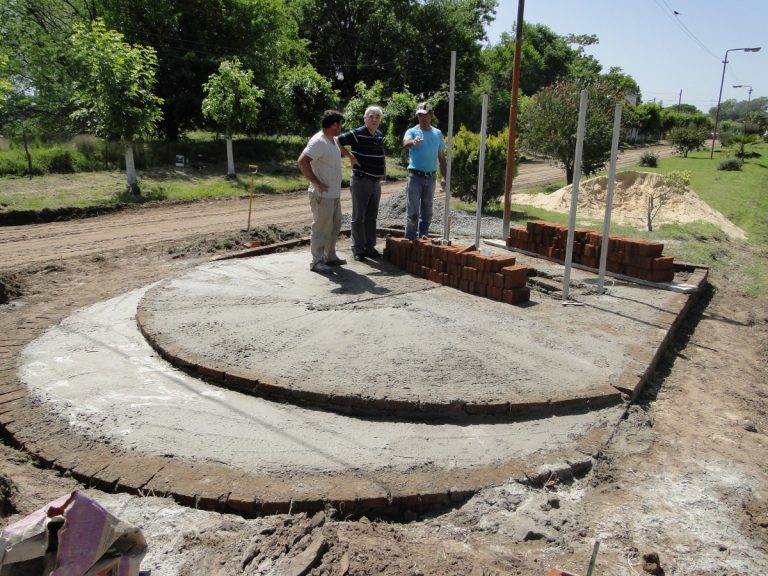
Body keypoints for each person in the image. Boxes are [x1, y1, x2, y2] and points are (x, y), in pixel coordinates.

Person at [297, 110, 346, 274]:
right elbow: (302, 161)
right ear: (334, 125)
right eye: (340, 124)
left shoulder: (333, 140)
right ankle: (317, 261)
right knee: (321, 228)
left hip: (334, 194)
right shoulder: (319, 141)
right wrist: (316, 182)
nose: (342, 127)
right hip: (322, 195)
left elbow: (340, 152)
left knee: (334, 226)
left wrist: (352, 157)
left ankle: (329, 256)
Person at [336, 106, 386, 261]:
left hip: (375, 182)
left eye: (377, 117)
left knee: (372, 216)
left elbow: (380, 153)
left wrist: (383, 167)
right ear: (365, 118)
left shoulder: (378, 135)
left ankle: (369, 247)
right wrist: (350, 156)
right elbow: (337, 140)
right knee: (359, 216)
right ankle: (358, 249)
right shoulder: (357, 133)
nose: (374, 119)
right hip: (361, 179)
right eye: (371, 116)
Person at [402, 102, 447, 240]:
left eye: (425, 115)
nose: (422, 118)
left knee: (427, 210)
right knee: (413, 210)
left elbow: (441, 158)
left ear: (431, 115)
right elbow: (405, 144)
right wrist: (413, 142)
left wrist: (444, 178)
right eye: (419, 115)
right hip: (415, 176)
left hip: (431, 177)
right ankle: (410, 237)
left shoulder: (437, 133)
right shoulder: (412, 131)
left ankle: (423, 237)